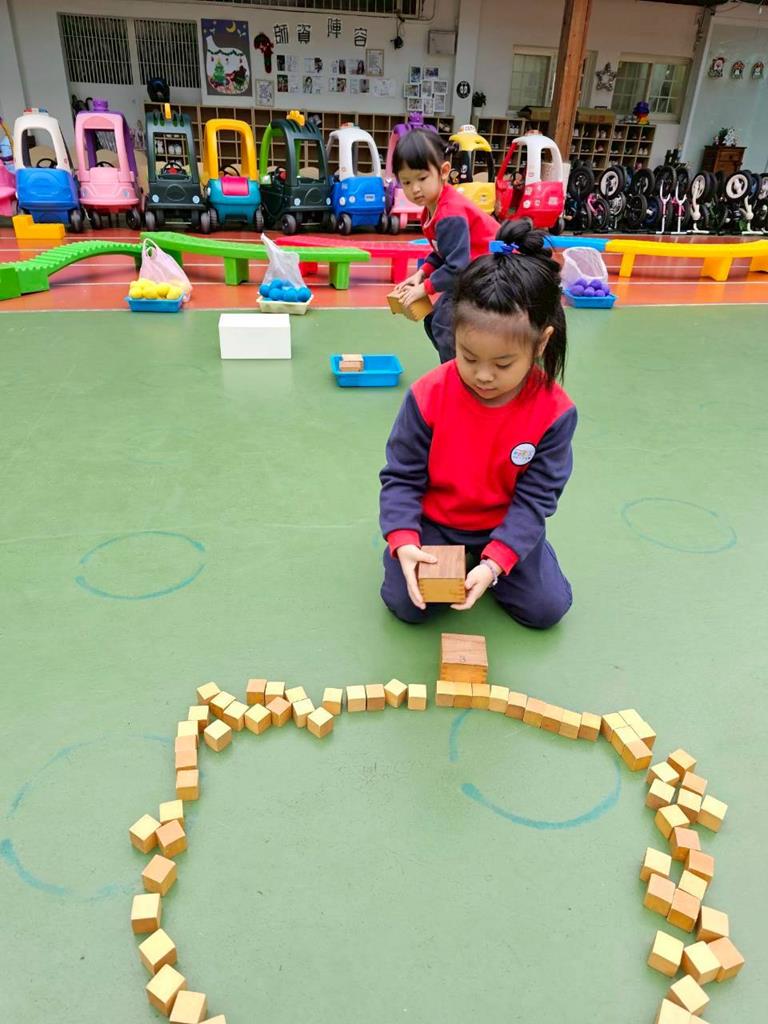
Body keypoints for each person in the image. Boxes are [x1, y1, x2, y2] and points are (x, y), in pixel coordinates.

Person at [379, 219, 576, 630]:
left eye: (503, 364)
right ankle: (427, 555)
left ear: (541, 343)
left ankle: (511, 557)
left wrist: (496, 562)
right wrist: (403, 540)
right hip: (436, 522)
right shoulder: (428, 394)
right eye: (468, 357)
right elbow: (401, 477)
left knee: (547, 610)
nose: (483, 376)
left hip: (504, 523)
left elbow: (536, 498)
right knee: (408, 606)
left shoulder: (554, 412)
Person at [391, 129, 498, 363]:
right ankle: (457, 366)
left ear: (444, 172)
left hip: (493, 272)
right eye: (406, 182)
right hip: (473, 270)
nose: (415, 188)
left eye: (422, 178)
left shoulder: (450, 213)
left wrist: (425, 288)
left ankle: (458, 374)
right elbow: (444, 252)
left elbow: (457, 266)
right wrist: (421, 273)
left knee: (444, 323)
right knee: (433, 320)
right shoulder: (432, 209)